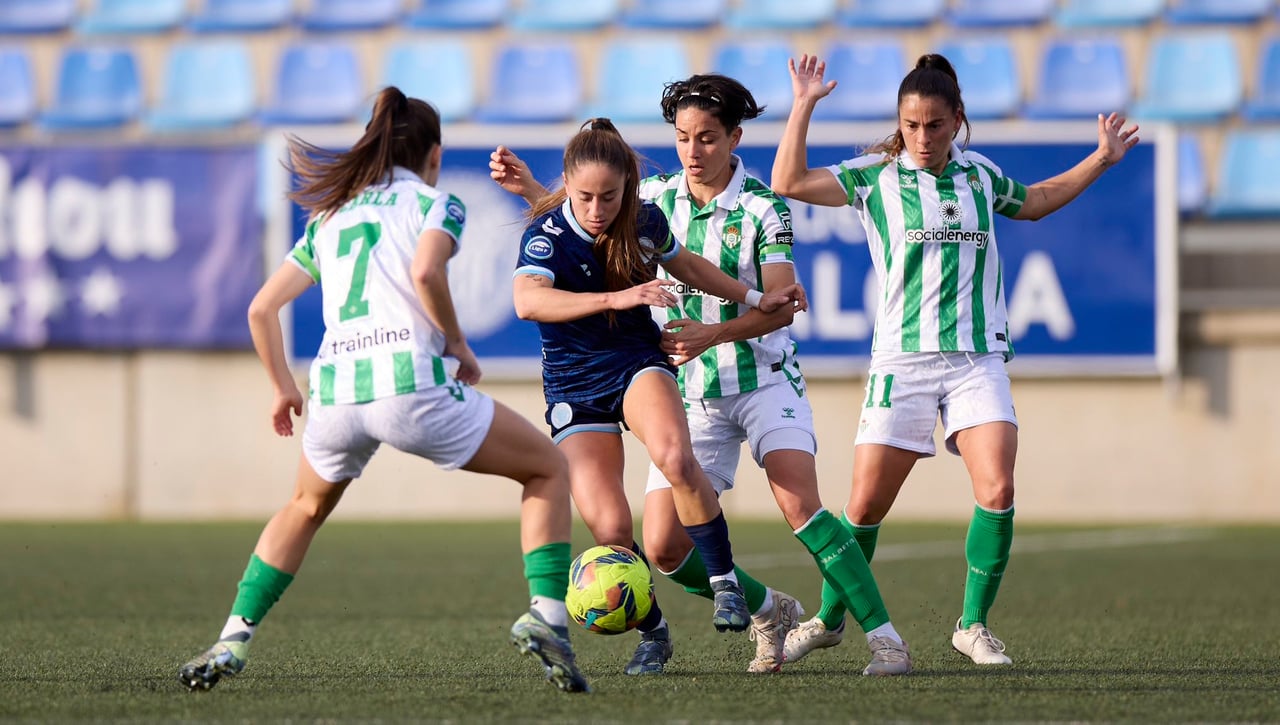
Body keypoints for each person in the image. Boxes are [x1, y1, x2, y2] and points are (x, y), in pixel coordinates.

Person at [491, 76, 912, 677]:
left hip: (761, 377)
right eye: (684, 138)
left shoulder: (764, 206)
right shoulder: (654, 195)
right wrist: (532, 189)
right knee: (659, 546)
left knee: (801, 505)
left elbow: (775, 304)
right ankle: (768, 609)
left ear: (734, 138)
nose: (694, 151)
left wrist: (721, 325)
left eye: (708, 138)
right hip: (691, 385)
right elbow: (586, 216)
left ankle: (885, 640)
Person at [177, 87, 589, 694]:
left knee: (303, 508)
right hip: (409, 386)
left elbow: (261, 308)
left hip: (336, 392)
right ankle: (550, 618)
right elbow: (425, 271)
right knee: (549, 470)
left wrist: (281, 389)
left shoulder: (330, 216)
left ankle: (232, 638)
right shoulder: (435, 203)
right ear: (433, 154)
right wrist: (457, 344)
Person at [771, 53, 1140, 666]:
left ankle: (972, 625)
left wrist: (1101, 158)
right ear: (900, 123)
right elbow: (788, 181)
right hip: (902, 361)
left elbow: (1038, 200)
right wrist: (804, 102)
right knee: (862, 510)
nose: (922, 137)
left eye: (935, 125)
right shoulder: (875, 176)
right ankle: (831, 618)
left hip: (976, 358)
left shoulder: (980, 176)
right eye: (911, 125)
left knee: (997, 485)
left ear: (957, 121)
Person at [501, 117, 807, 676]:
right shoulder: (545, 234)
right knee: (612, 531)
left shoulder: (643, 220)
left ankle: (725, 585)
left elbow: (686, 263)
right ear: (566, 185)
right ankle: (655, 633)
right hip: (574, 386)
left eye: (610, 197)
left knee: (673, 457)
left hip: (637, 360)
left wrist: (754, 296)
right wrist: (617, 297)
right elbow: (529, 302)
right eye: (586, 197)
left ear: (629, 190)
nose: (597, 209)